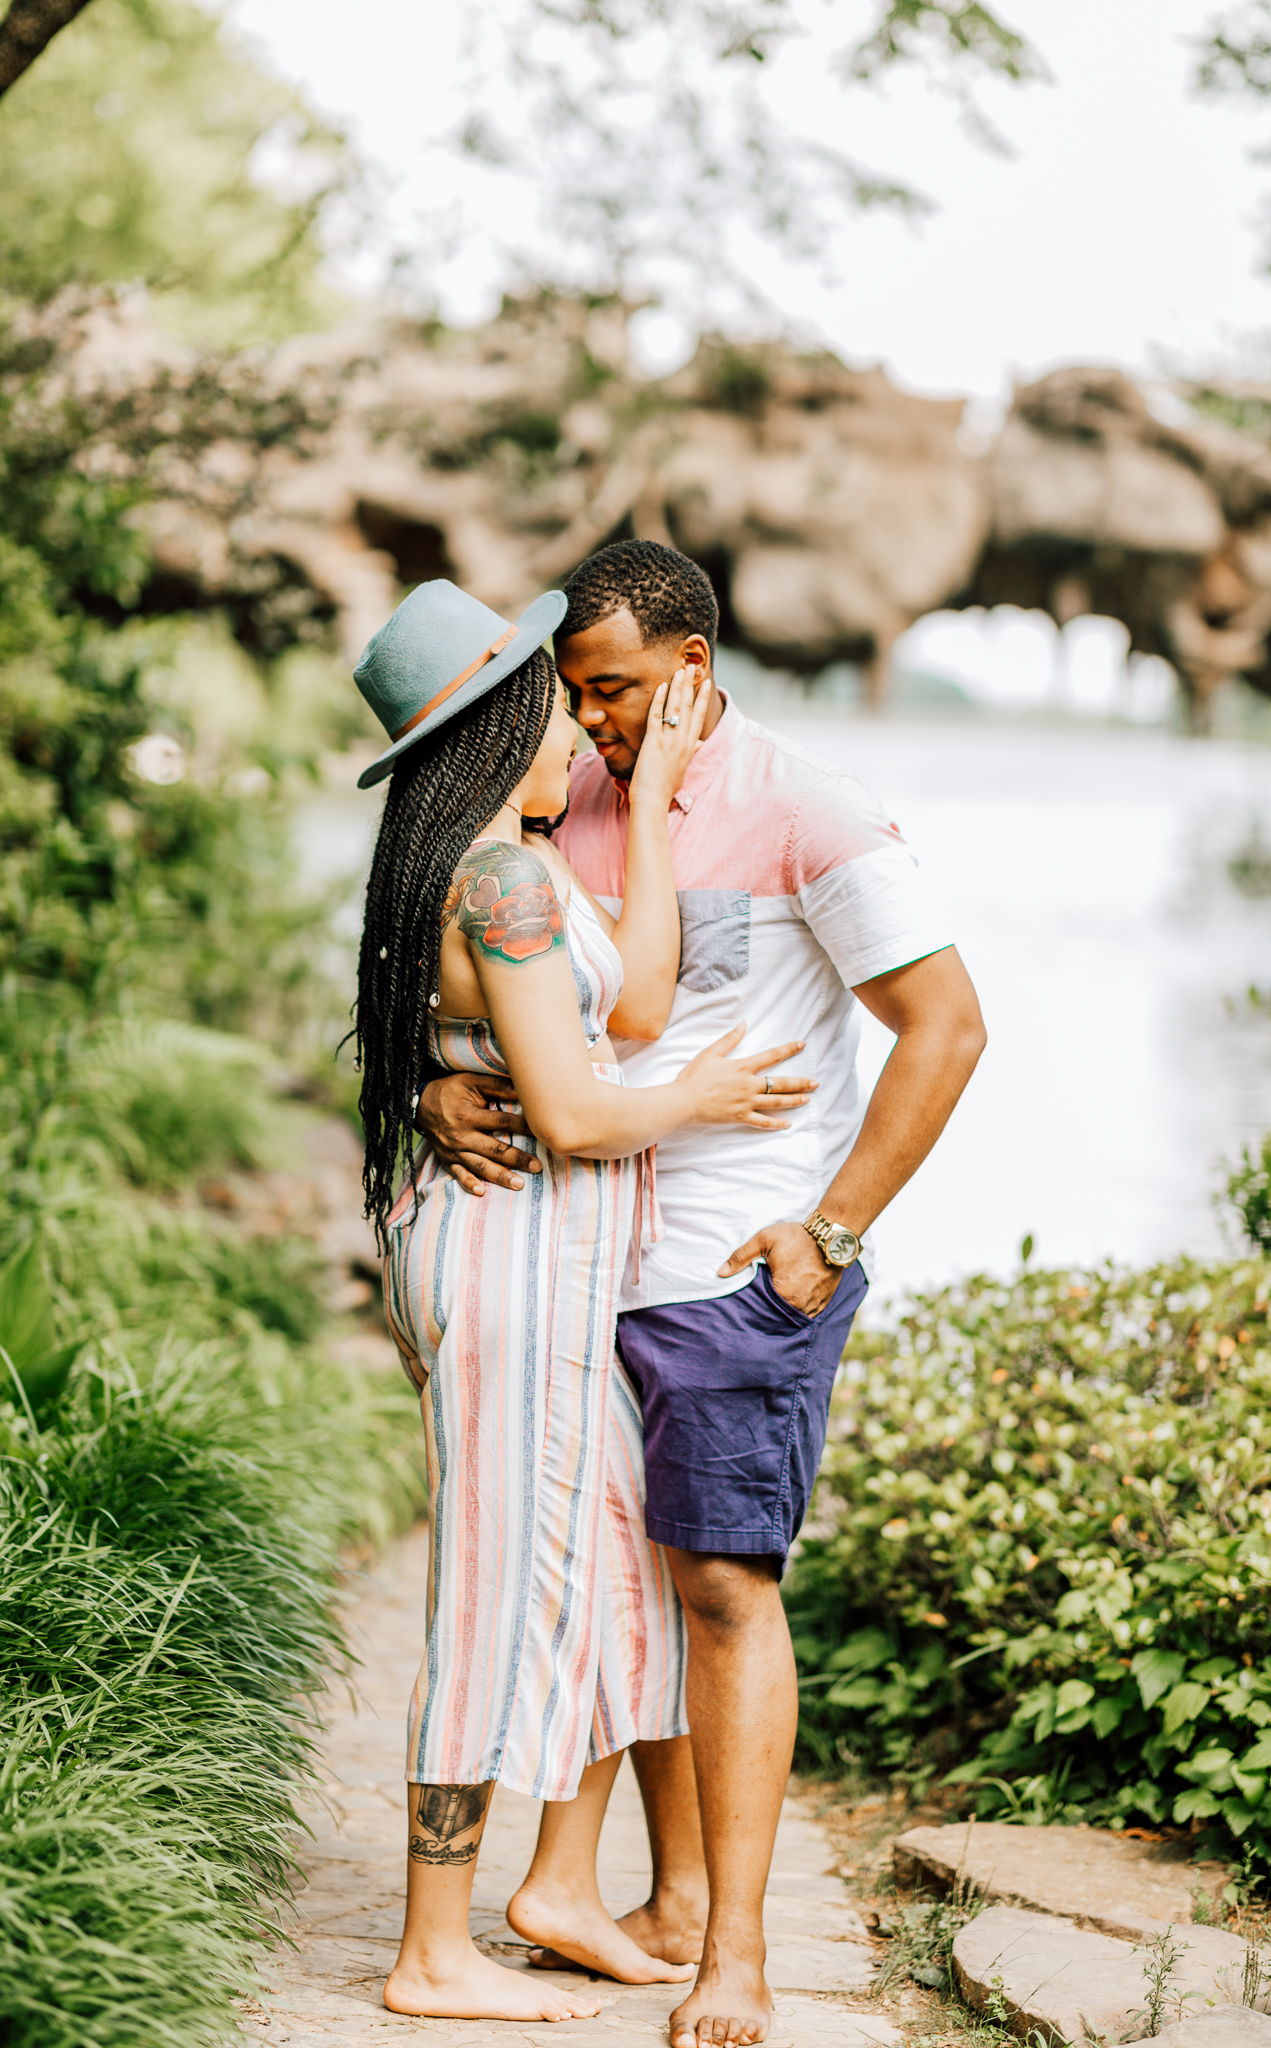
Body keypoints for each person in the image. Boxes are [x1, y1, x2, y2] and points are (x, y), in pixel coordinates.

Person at [419, 541, 987, 2048]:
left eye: (609, 688)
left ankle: (735, 1953)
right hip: (574, 1259)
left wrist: (831, 1230)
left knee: (725, 1589)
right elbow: (521, 993)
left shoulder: (808, 807)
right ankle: (664, 1903)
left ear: (687, 665)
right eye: (575, 691)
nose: (591, 717)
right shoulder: (562, 792)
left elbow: (944, 1028)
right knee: (638, 1586)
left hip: (732, 1276)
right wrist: (434, 1090)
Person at [350, 576, 816, 2023]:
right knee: (492, 1587)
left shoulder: (512, 869)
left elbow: (627, 1003)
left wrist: (663, 790)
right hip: (507, 1266)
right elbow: (571, 1109)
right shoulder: (494, 881)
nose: (579, 724)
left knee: (611, 1560)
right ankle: (433, 1950)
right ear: (500, 729)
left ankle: (556, 1887)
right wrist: (705, 1097)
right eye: (556, 704)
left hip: (552, 1274)